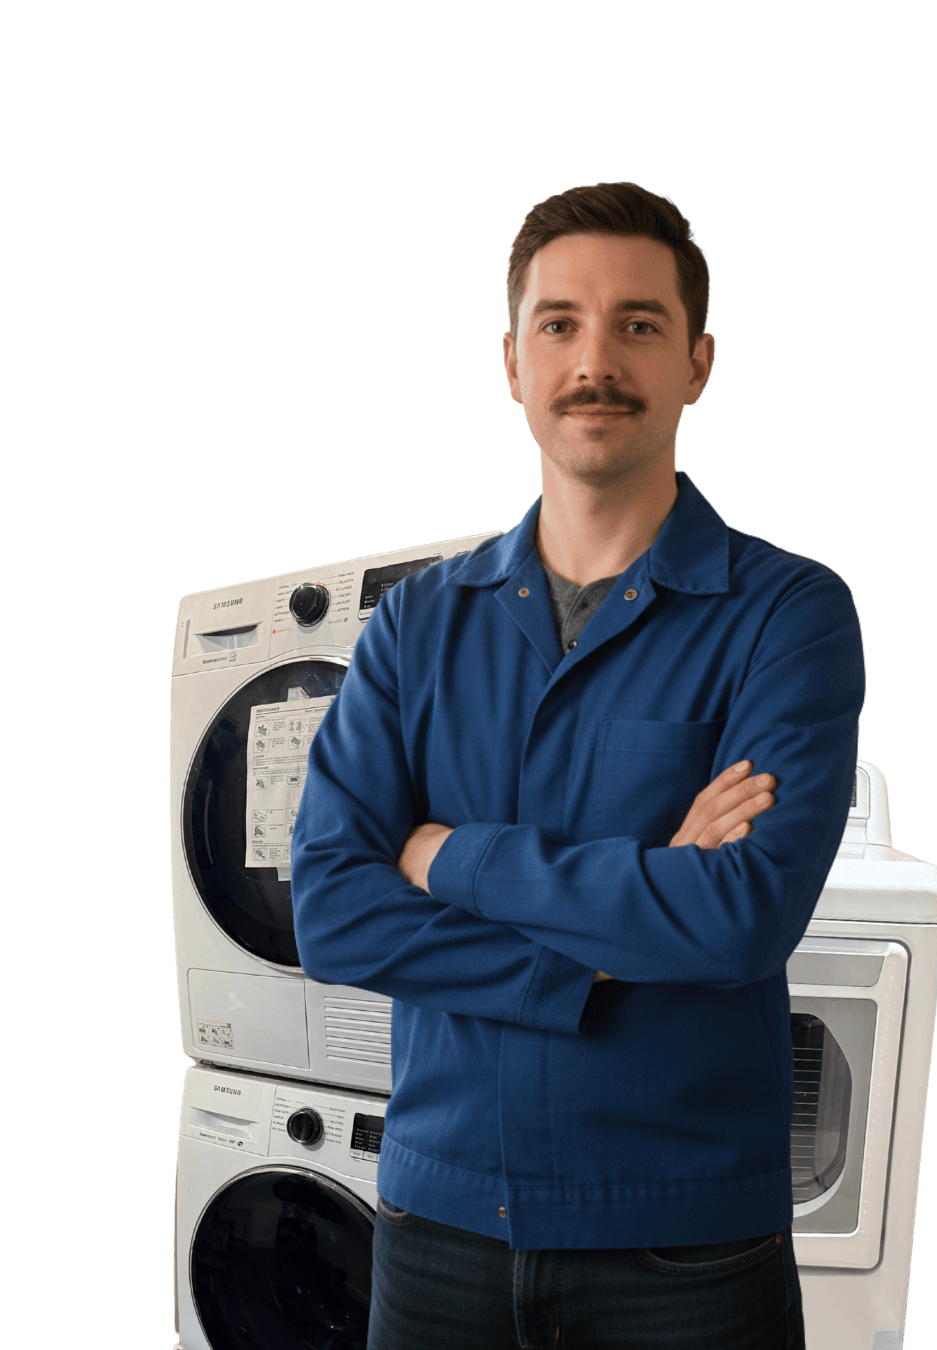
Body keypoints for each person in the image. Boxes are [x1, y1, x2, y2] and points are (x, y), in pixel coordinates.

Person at [292, 180, 865, 1350]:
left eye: (637, 325)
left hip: (686, 1249)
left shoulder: (787, 615)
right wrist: (604, 949)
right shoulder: (415, 625)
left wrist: (450, 855)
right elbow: (335, 915)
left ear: (697, 362)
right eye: (560, 323)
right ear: (512, 361)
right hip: (436, 1223)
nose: (594, 359)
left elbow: (739, 920)